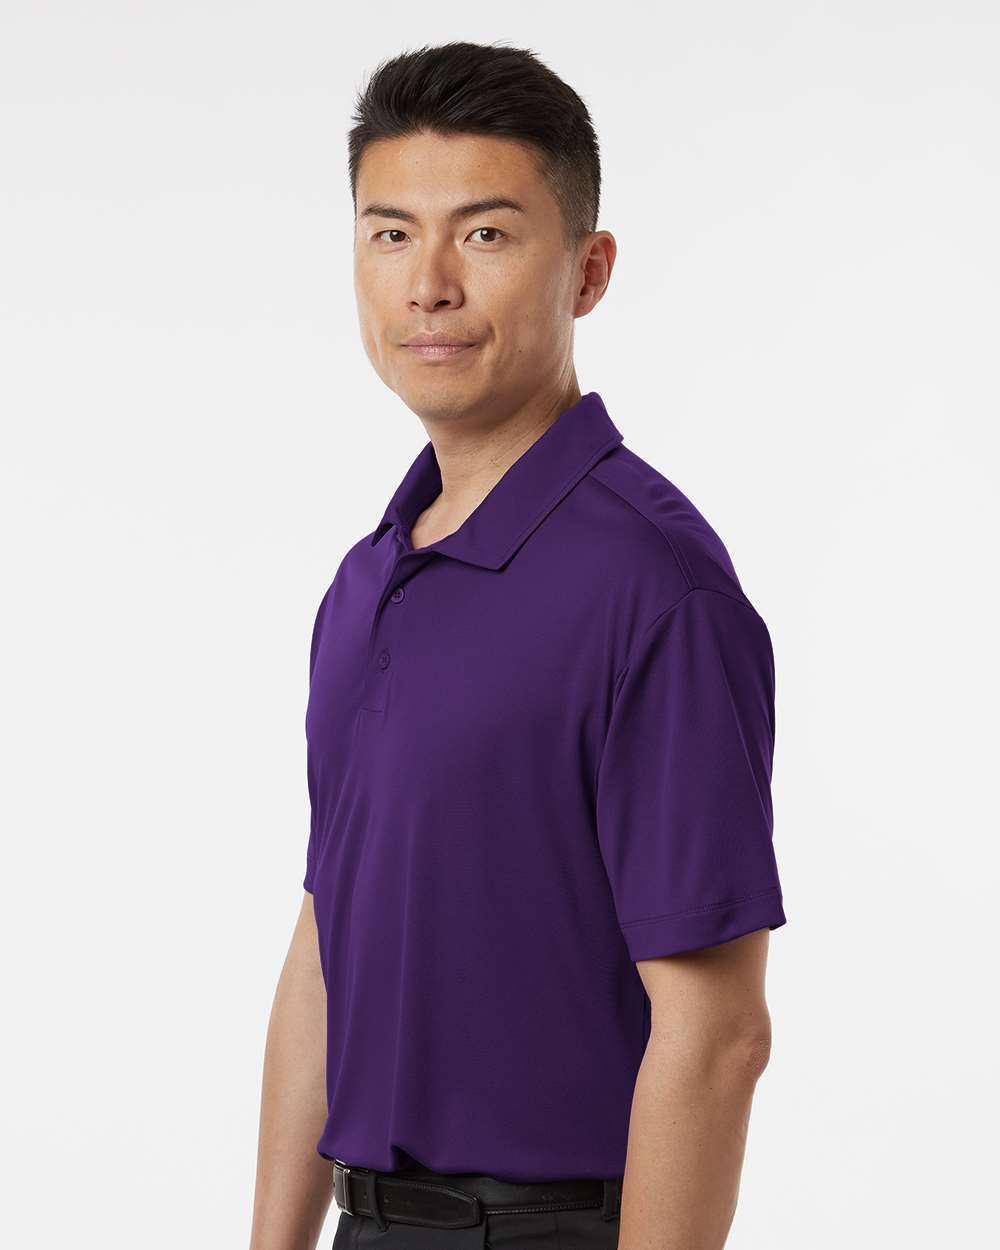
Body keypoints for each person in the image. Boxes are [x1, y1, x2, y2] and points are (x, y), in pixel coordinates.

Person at [249, 40, 787, 1250]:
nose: (428, 284)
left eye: (484, 234)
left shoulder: (654, 586)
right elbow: (327, 941)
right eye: (390, 234)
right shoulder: (368, 577)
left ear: (588, 271)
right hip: (370, 1221)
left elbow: (716, 1032)